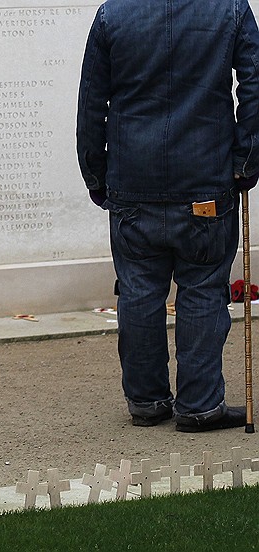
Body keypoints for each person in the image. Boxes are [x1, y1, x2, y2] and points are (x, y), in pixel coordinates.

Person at [76, 0, 259, 432]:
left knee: (139, 291)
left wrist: (95, 172)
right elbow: (254, 86)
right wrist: (247, 159)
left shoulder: (111, 14)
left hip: (133, 178)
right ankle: (199, 405)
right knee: (202, 289)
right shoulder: (229, 9)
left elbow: (91, 101)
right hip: (205, 177)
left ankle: (146, 401)